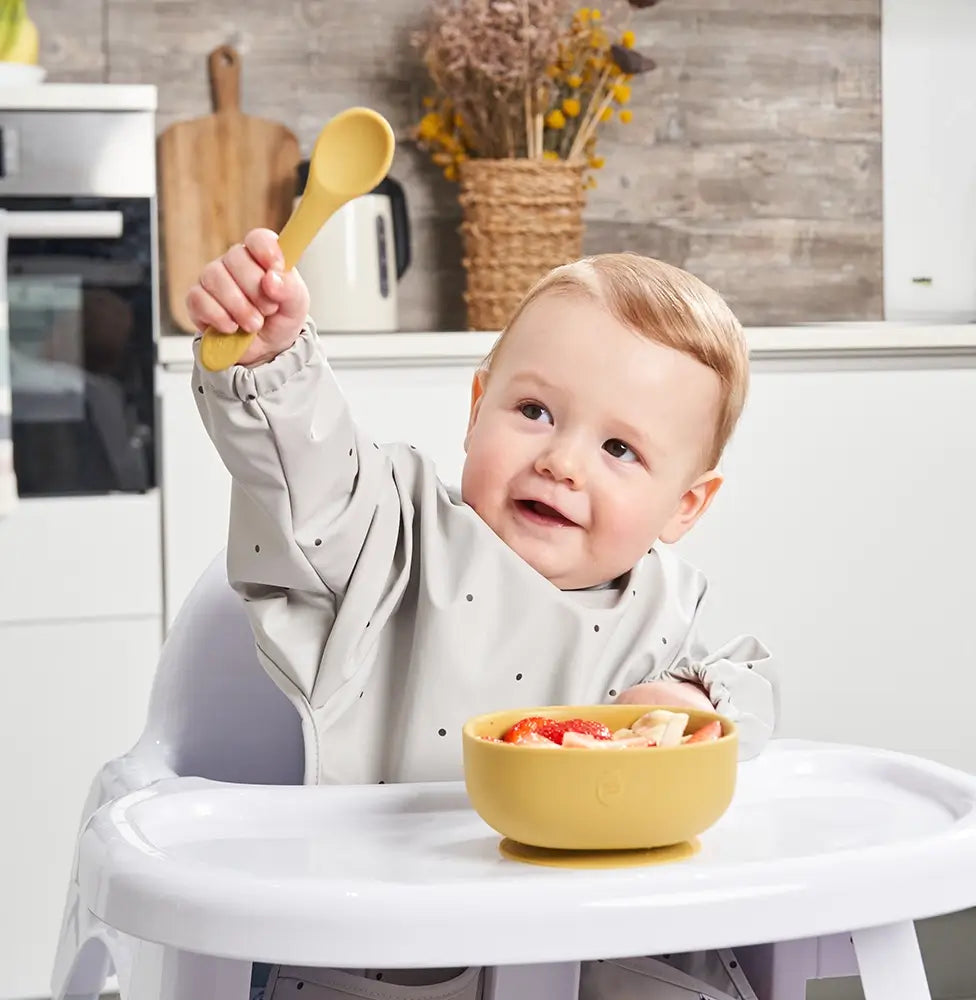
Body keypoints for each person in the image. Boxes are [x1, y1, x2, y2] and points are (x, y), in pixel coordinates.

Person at [188, 229, 776, 1000]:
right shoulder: (390, 535)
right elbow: (312, 479)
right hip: (388, 953)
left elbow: (751, 696)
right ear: (477, 408)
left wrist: (694, 703)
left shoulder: (657, 610)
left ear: (686, 505)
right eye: (534, 410)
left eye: (620, 450)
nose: (561, 462)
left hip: (584, 955)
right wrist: (272, 361)